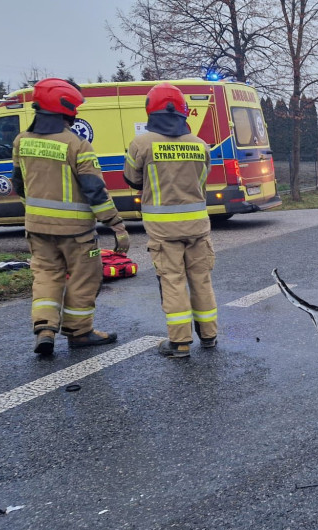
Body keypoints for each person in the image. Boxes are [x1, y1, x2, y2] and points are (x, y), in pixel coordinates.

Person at [12, 78, 129, 356]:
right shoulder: (77, 145)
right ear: (65, 109)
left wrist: (35, 214)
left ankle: (44, 329)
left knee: (46, 277)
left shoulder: (21, 141)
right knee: (84, 278)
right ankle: (79, 332)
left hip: (37, 229)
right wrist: (115, 223)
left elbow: (19, 184)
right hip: (76, 233)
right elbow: (94, 190)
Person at [123, 83, 216, 359]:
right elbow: (203, 179)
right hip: (199, 228)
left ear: (151, 111)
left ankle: (180, 343)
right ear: (183, 112)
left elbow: (132, 178)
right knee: (201, 279)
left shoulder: (141, 144)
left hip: (163, 232)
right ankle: (209, 336)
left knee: (173, 281)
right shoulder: (200, 145)